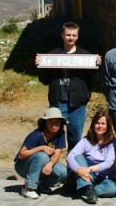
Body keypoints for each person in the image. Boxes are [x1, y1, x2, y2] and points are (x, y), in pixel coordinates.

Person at [35, 22, 101, 152]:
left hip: (77, 106)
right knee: (53, 138)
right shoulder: (52, 55)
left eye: (74, 35)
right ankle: (53, 169)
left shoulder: (85, 56)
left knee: (75, 139)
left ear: (77, 36)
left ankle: (72, 170)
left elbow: (94, 80)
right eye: (68, 35)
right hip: (57, 104)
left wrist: (96, 67)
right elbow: (44, 80)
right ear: (62, 35)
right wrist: (40, 67)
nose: (71, 38)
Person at [14, 107, 68, 199]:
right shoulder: (37, 135)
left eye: (57, 121)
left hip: (43, 164)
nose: (54, 124)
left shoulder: (60, 134)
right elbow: (21, 155)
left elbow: (57, 153)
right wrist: (41, 148)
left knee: (63, 172)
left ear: (61, 123)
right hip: (22, 166)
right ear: (45, 122)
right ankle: (29, 187)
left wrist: (50, 164)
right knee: (42, 156)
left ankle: (42, 185)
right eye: (50, 121)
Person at [66, 110, 116, 204]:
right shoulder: (86, 141)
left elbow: (109, 163)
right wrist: (79, 170)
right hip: (88, 176)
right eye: (97, 123)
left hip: (106, 178)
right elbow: (70, 157)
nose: (100, 126)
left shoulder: (113, 142)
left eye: (103, 123)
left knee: (112, 190)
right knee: (77, 157)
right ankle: (88, 188)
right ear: (93, 124)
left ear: (108, 126)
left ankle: (84, 188)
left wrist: (89, 169)